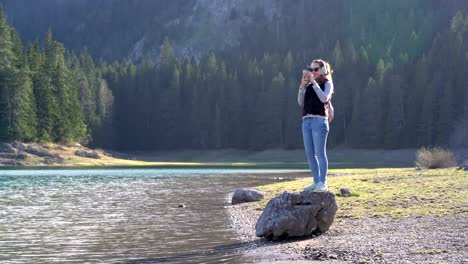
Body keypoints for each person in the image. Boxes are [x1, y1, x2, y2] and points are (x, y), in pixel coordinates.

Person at [297, 59, 334, 192]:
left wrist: (313, 83)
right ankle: (316, 181)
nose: (312, 72)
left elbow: (324, 98)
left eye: (316, 69)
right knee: (310, 153)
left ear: (323, 70)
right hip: (306, 121)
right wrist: (302, 86)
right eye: (311, 69)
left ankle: (323, 183)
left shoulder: (327, 83)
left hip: (319, 121)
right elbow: (300, 102)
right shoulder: (307, 85)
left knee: (320, 153)